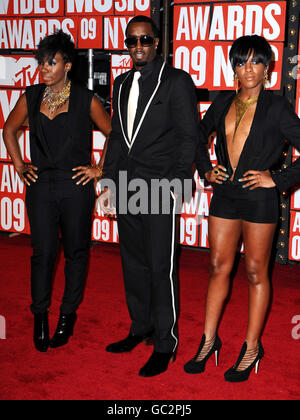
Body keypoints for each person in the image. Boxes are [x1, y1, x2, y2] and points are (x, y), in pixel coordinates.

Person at [184, 35, 300, 382]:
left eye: (255, 61)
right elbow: (195, 135)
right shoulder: (222, 101)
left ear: (268, 68)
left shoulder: (277, 106)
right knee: (218, 266)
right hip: (225, 195)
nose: (247, 69)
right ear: (233, 66)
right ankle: (208, 340)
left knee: (254, 272)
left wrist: (276, 179)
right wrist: (206, 168)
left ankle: (251, 347)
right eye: (241, 61)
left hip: (259, 199)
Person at [100, 15, 198, 377]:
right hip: (126, 185)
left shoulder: (176, 81)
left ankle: (165, 342)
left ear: (157, 42)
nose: (138, 46)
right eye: (132, 41)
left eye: (145, 39)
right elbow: (116, 138)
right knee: (133, 264)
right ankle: (140, 326)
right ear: (126, 45)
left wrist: (176, 183)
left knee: (161, 267)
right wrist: (108, 182)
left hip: (159, 187)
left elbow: (189, 137)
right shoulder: (122, 83)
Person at [3, 30, 111, 353]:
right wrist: (20, 165)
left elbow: (113, 134)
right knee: (43, 253)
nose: (45, 68)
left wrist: (99, 169)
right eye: (42, 63)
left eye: (52, 62)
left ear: (67, 65)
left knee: (77, 252)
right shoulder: (31, 95)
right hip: (40, 187)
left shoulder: (86, 99)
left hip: (76, 187)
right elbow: (9, 129)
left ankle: (67, 314)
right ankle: (40, 316)